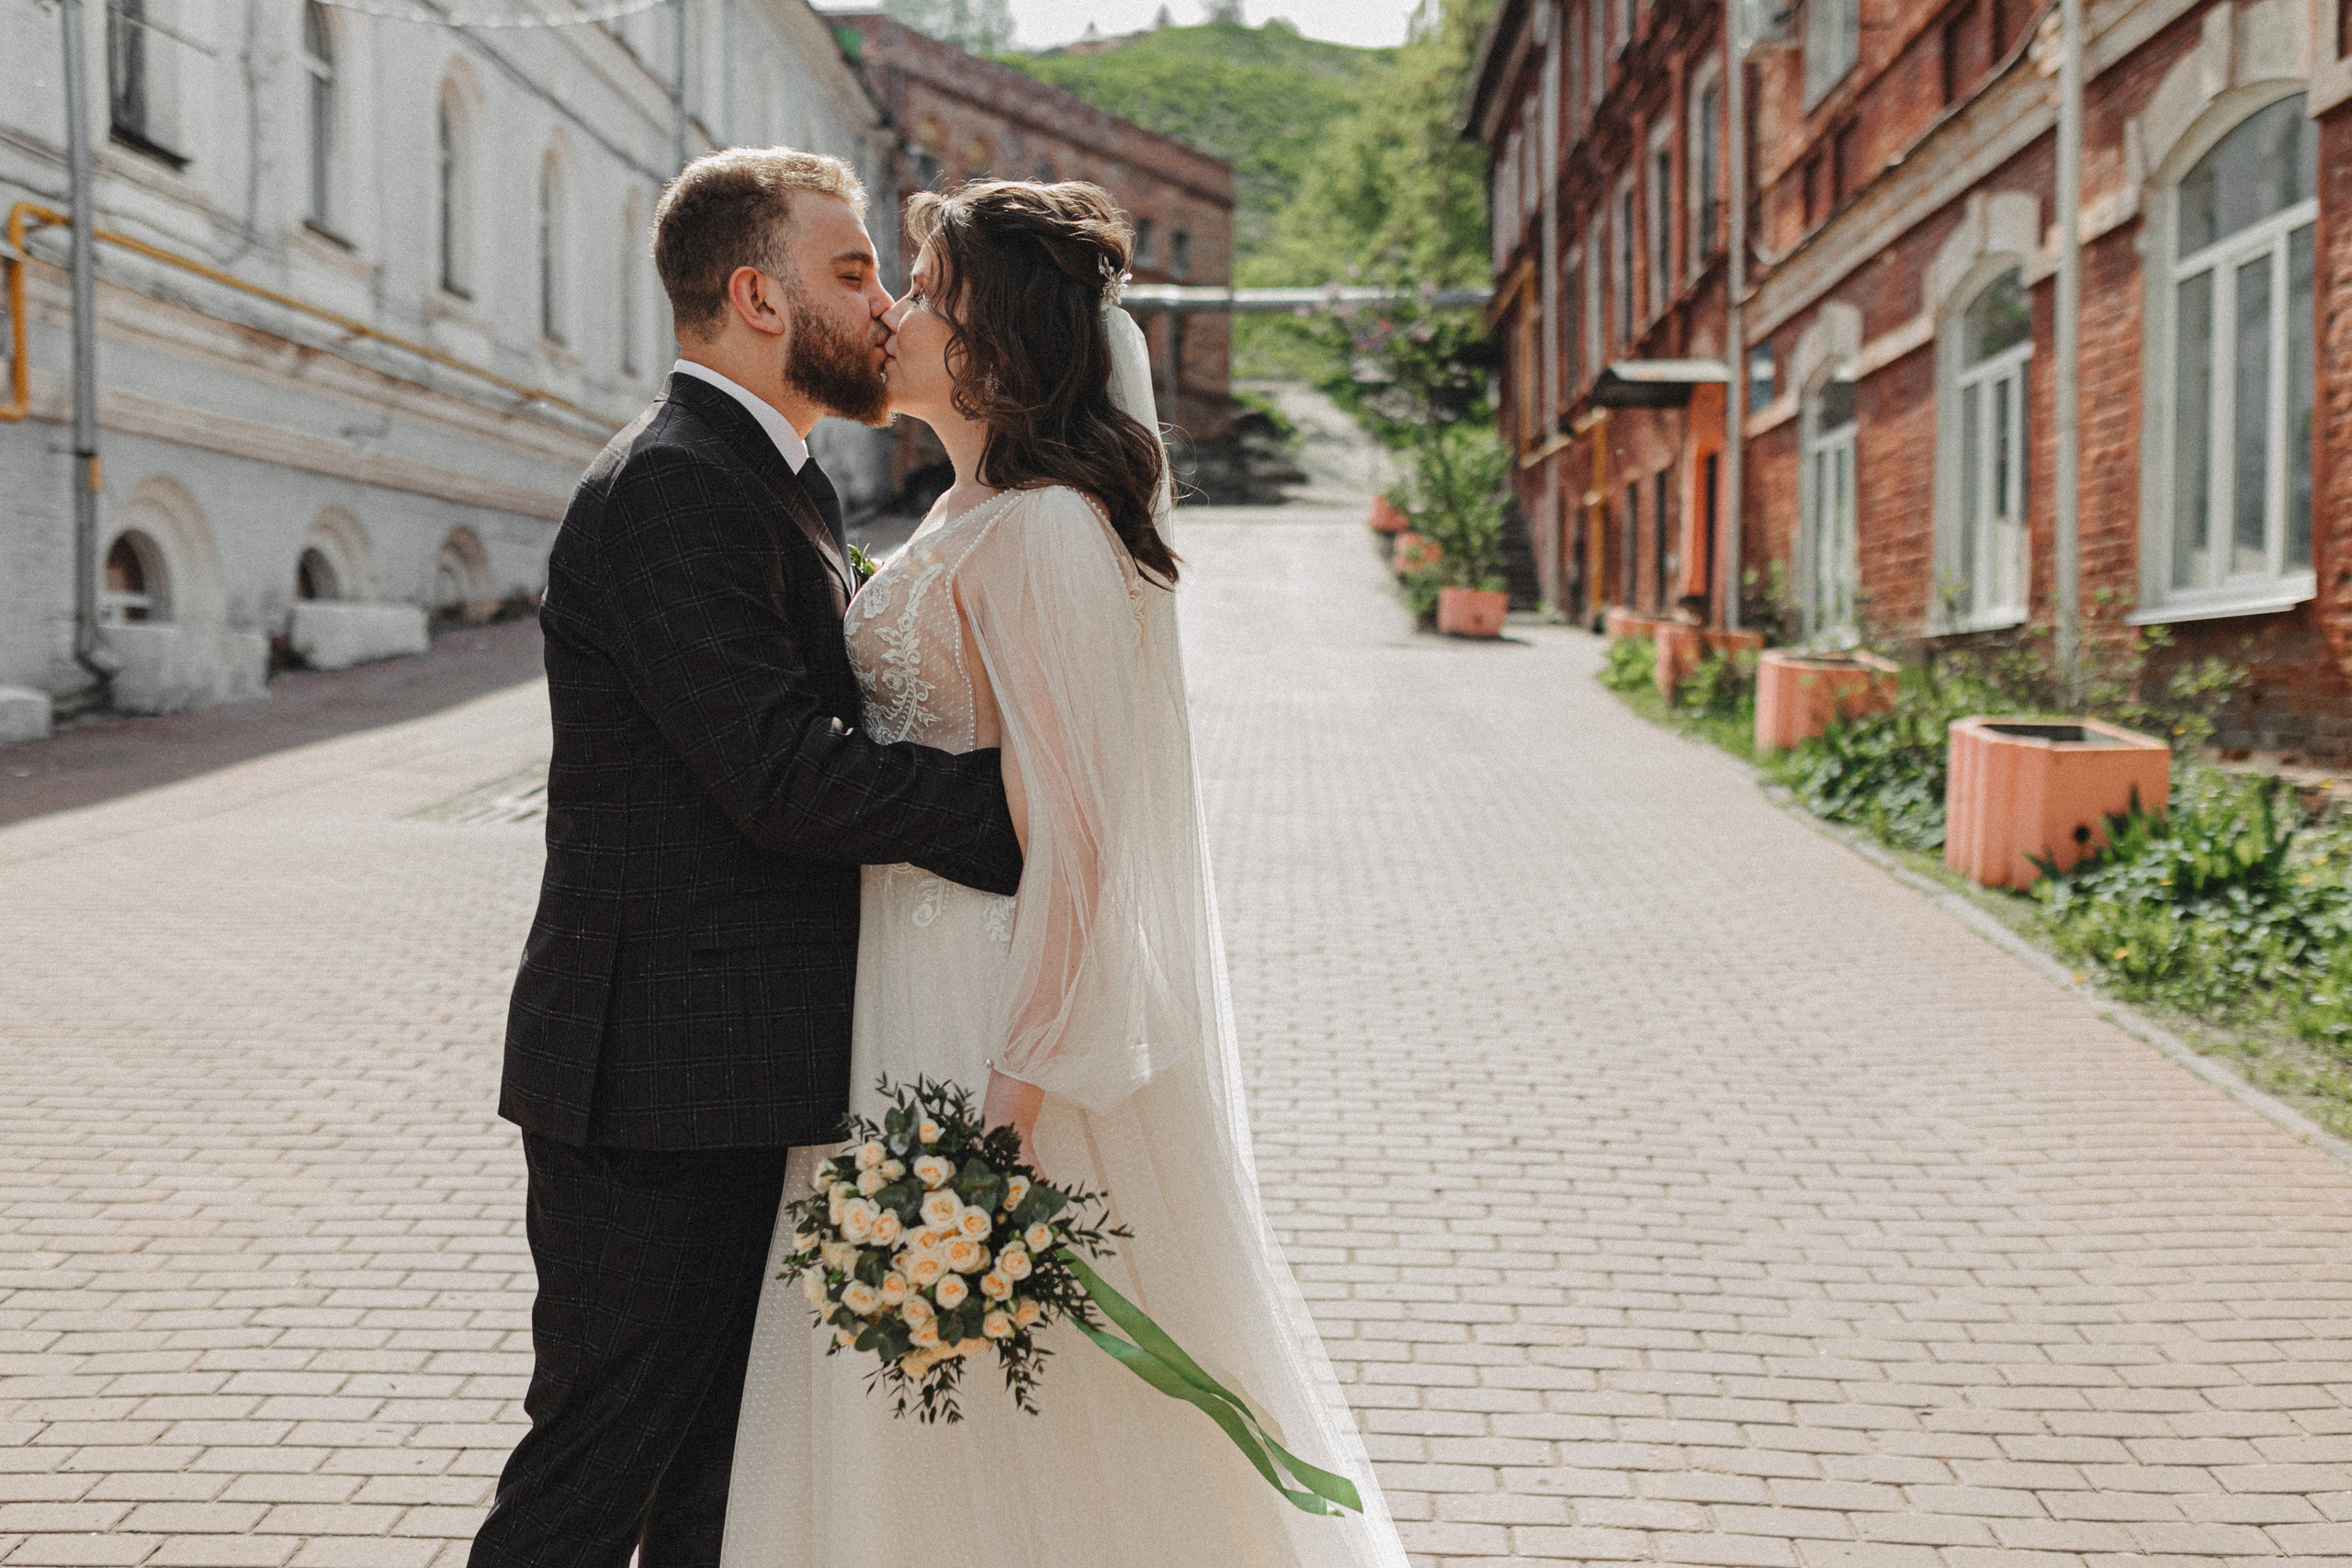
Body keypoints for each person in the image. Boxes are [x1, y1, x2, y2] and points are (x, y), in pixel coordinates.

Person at [719, 180, 1410, 1567]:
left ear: (990, 341)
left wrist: (1007, 1112)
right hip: (894, 982)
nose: (894, 310)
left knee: (1018, 1406)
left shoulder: (1040, 528)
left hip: (981, 1011)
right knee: (921, 1398)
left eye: (921, 286)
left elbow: (1080, 839)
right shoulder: (966, 511)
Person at [469, 149, 1026, 1568]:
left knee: (709, 1480)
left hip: (720, 1061)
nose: (888, 303)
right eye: (854, 272)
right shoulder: (674, 484)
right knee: (599, 1469)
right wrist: (1022, 812)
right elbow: (779, 776)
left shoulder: (774, 479)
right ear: (754, 296)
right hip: (649, 1075)